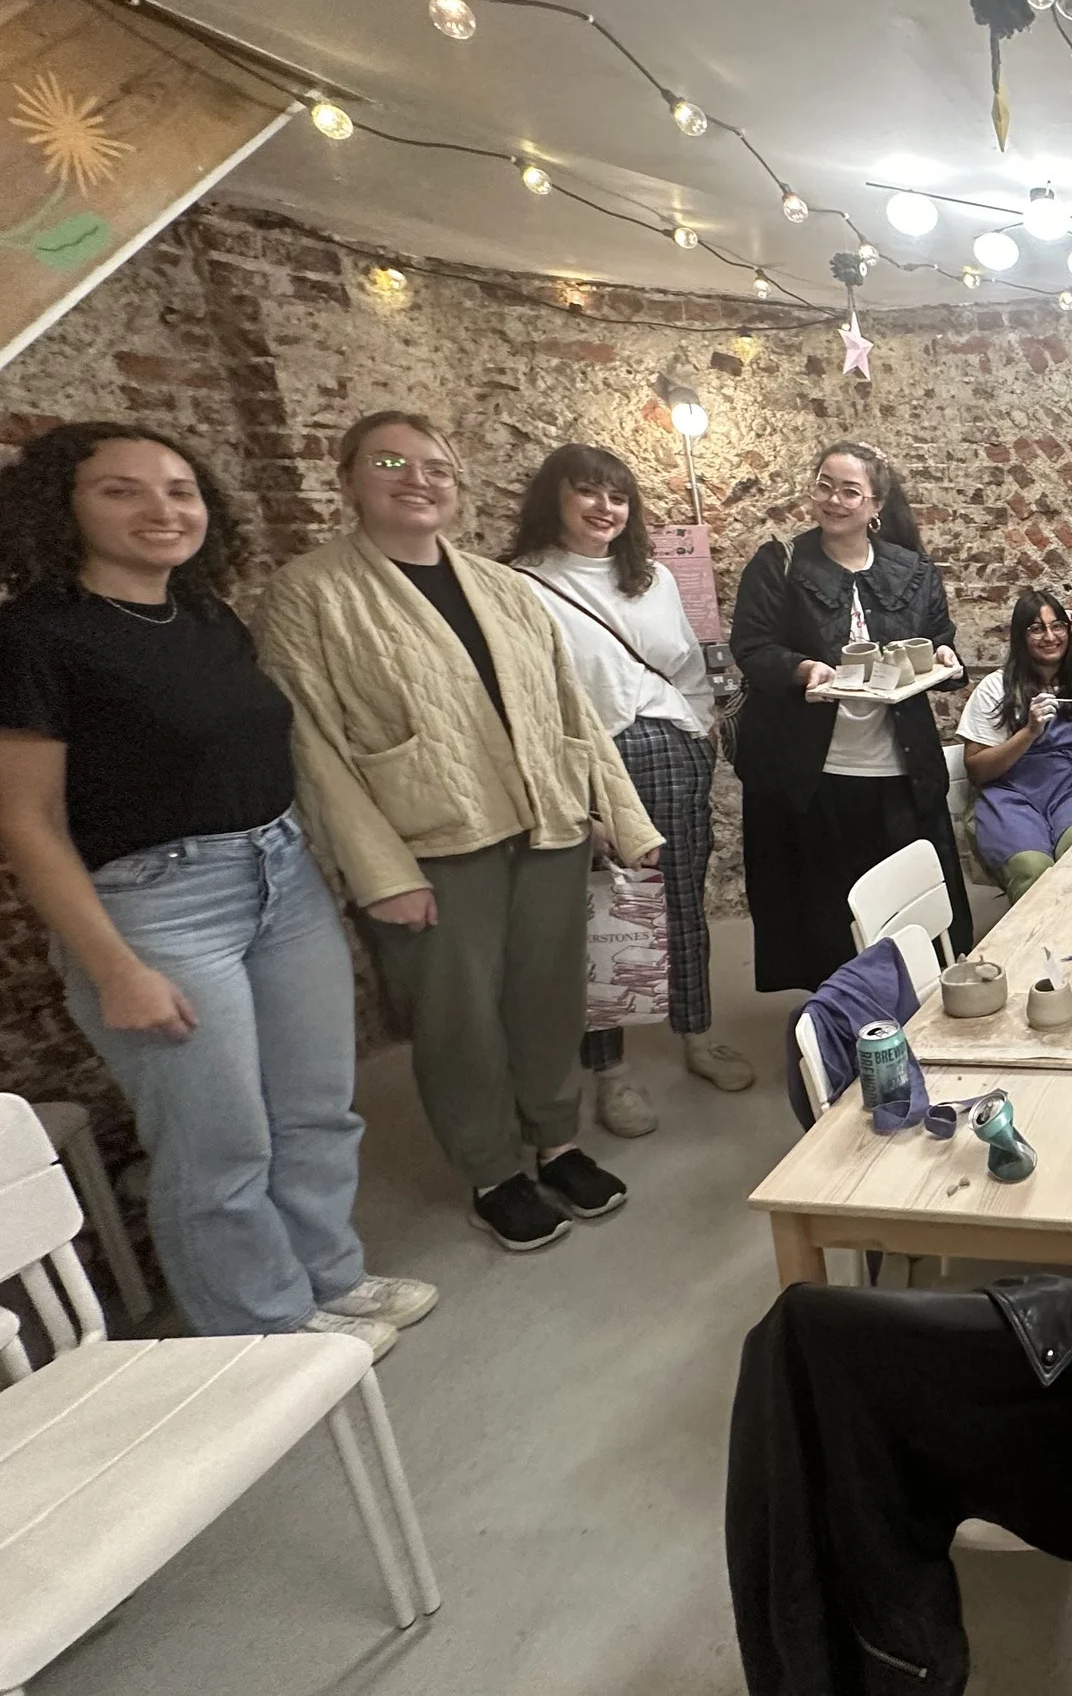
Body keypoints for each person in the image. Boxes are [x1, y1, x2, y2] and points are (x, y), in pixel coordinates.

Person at [0, 424, 434, 1354]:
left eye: (180, 489)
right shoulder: (35, 635)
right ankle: (263, 1330)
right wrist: (113, 966)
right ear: (63, 506)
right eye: (121, 490)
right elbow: (26, 821)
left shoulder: (205, 616)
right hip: (155, 904)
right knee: (216, 1139)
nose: (162, 509)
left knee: (316, 1107)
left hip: (279, 873)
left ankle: (328, 1276)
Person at [257, 412, 660, 1254]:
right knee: (459, 1018)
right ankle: (491, 1168)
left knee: (550, 999)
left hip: (547, 825)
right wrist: (379, 871)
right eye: (390, 463)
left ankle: (556, 1141)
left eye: (437, 467)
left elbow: (569, 709)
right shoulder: (312, 591)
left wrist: (617, 815)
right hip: (430, 842)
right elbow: (309, 744)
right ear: (349, 478)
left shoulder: (501, 586)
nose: (418, 479)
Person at [509, 443, 751, 1139]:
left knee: (681, 902)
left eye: (617, 496)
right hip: (590, 761)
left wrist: (700, 729)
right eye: (588, 491)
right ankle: (610, 1071)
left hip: (671, 748)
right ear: (554, 498)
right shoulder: (522, 584)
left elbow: (688, 664)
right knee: (602, 914)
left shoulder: (652, 577)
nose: (605, 507)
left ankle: (697, 1034)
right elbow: (530, 698)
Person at [729, 442, 972, 993]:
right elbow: (752, 646)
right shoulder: (779, 564)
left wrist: (944, 656)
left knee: (909, 905)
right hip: (814, 774)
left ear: (875, 504)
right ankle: (843, 1014)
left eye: (849, 491)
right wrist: (802, 669)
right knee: (828, 911)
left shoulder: (912, 570)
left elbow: (939, 639)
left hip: (900, 770)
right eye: (824, 485)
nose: (833, 500)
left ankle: (914, 1006)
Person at [961, 590, 1072, 901]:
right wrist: (1029, 731)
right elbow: (976, 771)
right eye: (1037, 629)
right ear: (1020, 637)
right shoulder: (995, 687)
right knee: (1032, 867)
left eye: (1058, 626)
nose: (1050, 637)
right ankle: (1036, 933)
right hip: (1011, 796)